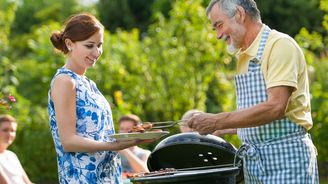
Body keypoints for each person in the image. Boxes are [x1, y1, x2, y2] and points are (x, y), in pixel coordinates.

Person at [187, 0, 319, 183]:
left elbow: (276, 107)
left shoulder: (279, 46)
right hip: (255, 166)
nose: (218, 35)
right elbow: (256, 117)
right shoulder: (243, 56)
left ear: (239, 14)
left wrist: (217, 121)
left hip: (287, 160)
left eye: (219, 25)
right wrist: (220, 129)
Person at [48, 13, 153, 183]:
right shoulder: (64, 82)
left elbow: (98, 133)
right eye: (89, 45)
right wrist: (116, 146)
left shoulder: (89, 84)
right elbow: (68, 141)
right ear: (69, 44)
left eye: (99, 45)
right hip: (82, 178)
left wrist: (131, 137)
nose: (97, 52)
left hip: (108, 176)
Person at [0, 114, 33, 184]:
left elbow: (28, 182)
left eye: (12, 131)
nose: (9, 134)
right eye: (5, 130)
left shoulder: (12, 155)